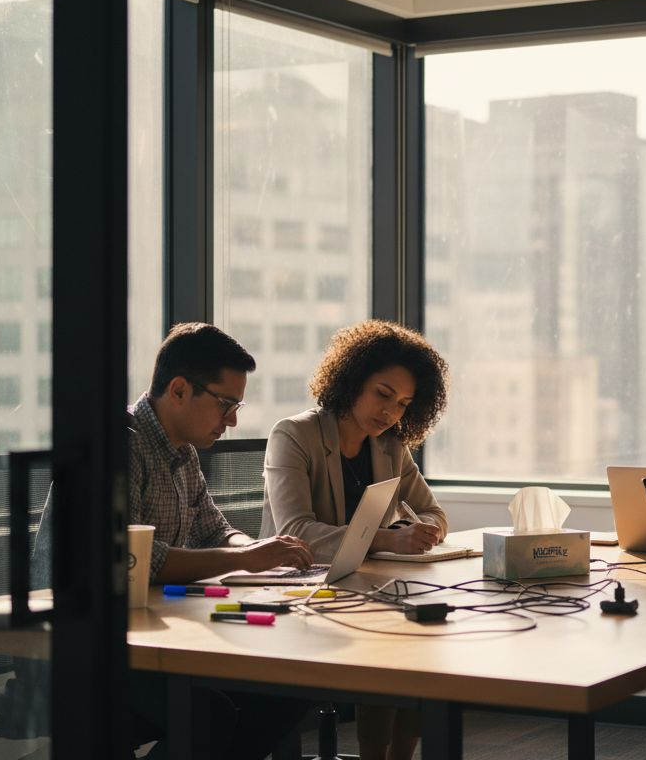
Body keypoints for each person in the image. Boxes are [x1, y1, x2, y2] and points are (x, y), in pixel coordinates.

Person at [123, 322, 315, 758]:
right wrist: (248, 559)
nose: (232, 420)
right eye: (226, 404)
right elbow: (136, 561)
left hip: (161, 636)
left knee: (289, 691)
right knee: (208, 716)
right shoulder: (124, 445)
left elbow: (214, 529)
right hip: (101, 648)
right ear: (178, 390)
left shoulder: (182, 450)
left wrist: (261, 554)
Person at [261, 319, 450, 760]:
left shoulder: (389, 447)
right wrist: (387, 540)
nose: (390, 412)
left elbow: (434, 513)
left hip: (360, 586)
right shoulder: (294, 435)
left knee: (418, 630)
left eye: (403, 404)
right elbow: (295, 533)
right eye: (383, 394)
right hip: (297, 590)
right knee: (387, 637)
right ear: (351, 380)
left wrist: (415, 532)